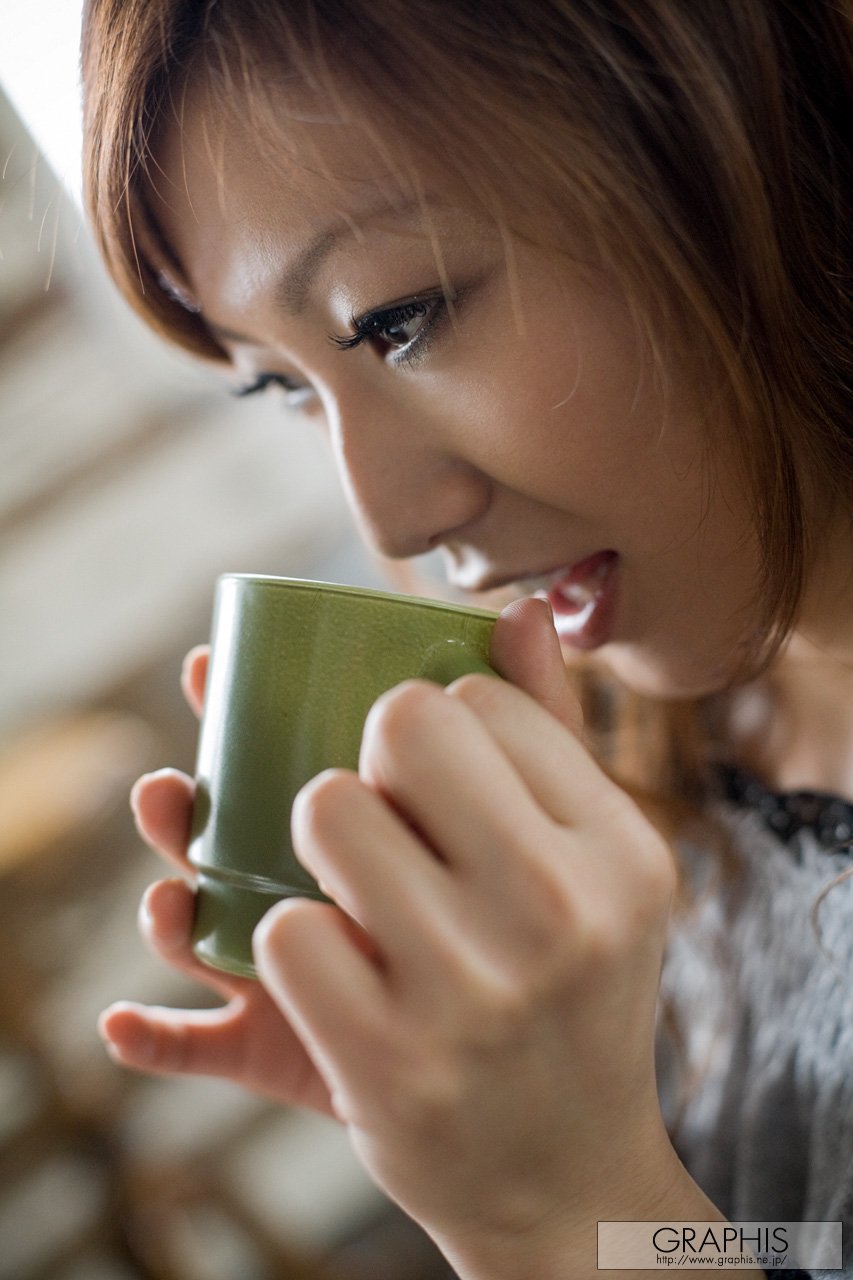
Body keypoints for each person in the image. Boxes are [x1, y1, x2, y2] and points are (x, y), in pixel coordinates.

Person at [81, 2, 852, 1276]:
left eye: (399, 318)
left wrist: (553, 1216)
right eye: (284, 386)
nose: (389, 515)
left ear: (734, 131)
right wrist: (535, 1114)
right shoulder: (659, 736)